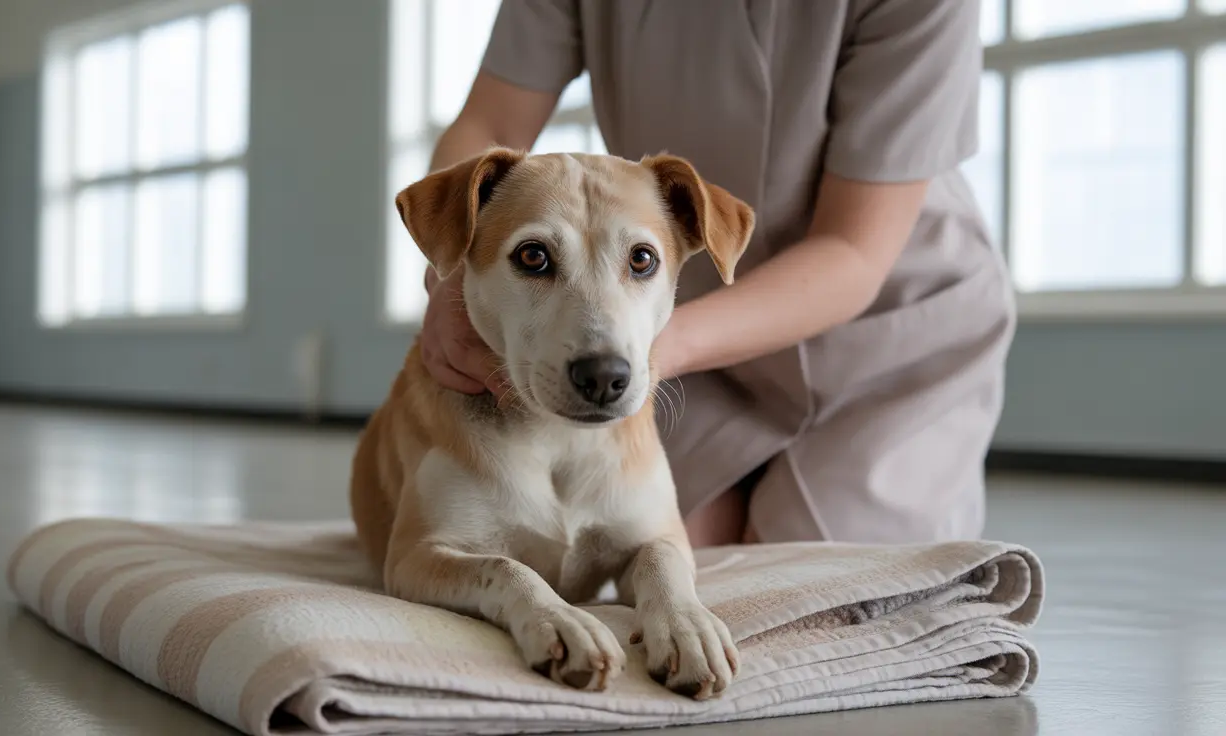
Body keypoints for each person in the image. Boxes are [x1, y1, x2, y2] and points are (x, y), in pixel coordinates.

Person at [416, 0, 1015, 548]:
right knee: (663, 558)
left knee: (808, 588)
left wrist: (648, 348)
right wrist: (450, 271)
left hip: (891, 338)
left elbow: (851, 251)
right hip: (692, 350)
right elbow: (489, 123)